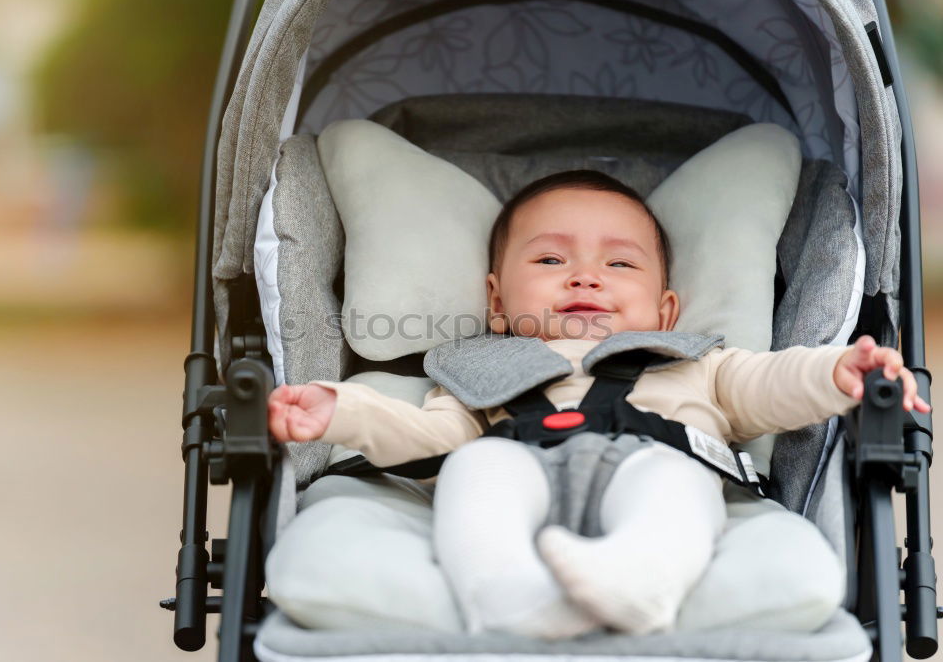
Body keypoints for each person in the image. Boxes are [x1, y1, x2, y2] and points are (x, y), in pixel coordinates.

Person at [267, 170, 929, 639]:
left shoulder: (697, 362)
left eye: (620, 266)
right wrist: (340, 408)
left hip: (656, 462)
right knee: (473, 471)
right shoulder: (474, 370)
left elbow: (771, 383)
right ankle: (510, 597)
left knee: (677, 485)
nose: (585, 276)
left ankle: (642, 581)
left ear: (666, 309)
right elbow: (425, 435)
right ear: (496, 303)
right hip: (518, 472)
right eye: (552, 258)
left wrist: (837, 369)